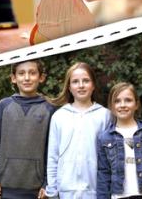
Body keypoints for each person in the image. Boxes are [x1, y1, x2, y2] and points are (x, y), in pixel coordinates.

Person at [0, 60, 56, 199]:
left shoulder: (50, 108)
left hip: (37, 190)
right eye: (21, 73)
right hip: (6, 187)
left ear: (41, 77)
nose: (27, 78)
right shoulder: (3, 107)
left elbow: (53, 150)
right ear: (13, 78)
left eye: (32, 73)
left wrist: (48, 183)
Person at [45, 62, 110, 198]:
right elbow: (53, 156)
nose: (81, 85)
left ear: (93, 85)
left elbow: (110, 156)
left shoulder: (105, 115)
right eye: (75, 82)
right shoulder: (59, 116)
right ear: (69, 87)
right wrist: (52, 189)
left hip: (96, 191)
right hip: (66, 191)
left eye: (86, 81)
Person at [97, 82, 142, 199]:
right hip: (120, 196)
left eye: (128, 100)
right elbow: (103, 174)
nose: (122, 105)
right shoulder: (104, 138)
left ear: (136, 104)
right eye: (117, 101)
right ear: (111, 106)